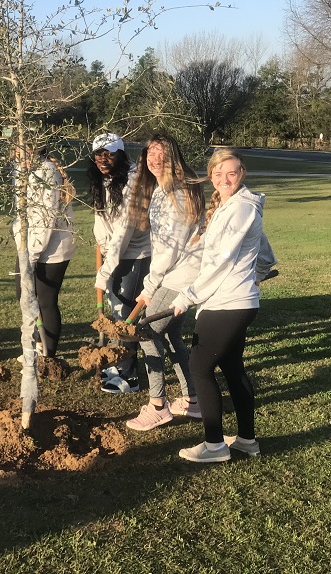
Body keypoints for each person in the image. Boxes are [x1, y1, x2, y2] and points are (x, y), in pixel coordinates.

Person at [171, 148, 266, 463]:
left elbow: (221, 261)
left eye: (232, 172)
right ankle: (247, 441)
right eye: (218, 173)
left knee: (199, 367)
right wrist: (257, 274)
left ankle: (214, 446)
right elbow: (265, 254)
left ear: (242, 173)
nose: (225, 179)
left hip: (226, 303)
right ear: (211, 175)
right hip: (233, 300)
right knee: (232, 367)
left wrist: (188, 295)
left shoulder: (240, 208)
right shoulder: (232, 206)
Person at [124, 134, 205, 429]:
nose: (154, 160)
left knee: (146, 331)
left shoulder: (178, 193)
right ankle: (193, 401)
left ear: (173, 157)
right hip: (176, 273)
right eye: (149, 154)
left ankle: (158, 405)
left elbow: (169, 249)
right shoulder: (162, 190)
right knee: (170, 336)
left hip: (179, 276)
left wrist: (148, 288)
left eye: (161, 154)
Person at [89, 133, 152, 394]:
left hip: (134, 255)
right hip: (113, 251)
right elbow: (102, 221)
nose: (103, 159)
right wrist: (101, 246)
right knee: (117, 311)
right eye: (98, 154)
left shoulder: (134, 182)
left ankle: (128, 376)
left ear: (121, 154)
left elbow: (124, 230)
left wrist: (103, 275)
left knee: (125, 315)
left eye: (110, 153)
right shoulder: (104, 179)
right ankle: (116, 364)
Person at [12, 146, 76, 358]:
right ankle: (34, 344)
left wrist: (32, 255)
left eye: (28, 151)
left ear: (37, 150)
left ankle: (47, 354)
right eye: (18, 151)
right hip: (29, 245)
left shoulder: (47, 171)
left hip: (52, 247)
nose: (22, 156)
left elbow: (45, 219)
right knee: (24, 295)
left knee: (45, 301)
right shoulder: (20, 170)